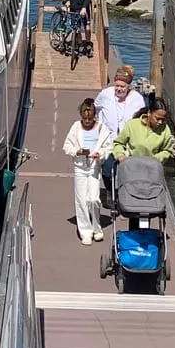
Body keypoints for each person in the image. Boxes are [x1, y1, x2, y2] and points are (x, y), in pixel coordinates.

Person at [62, 98, 113, 244]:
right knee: (81, 199)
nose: (87, 122)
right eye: (84, 119)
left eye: (90, 119)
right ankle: (85, 230)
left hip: (94, 167)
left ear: (94, 116)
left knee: (94, 198)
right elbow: (67, 146)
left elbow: (108, 147)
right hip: (80, 167)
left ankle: (97, 227)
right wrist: (77, 151)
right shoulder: (75, 127)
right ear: (81, 116)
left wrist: (100, 154)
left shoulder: (102, 128)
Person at [95, 65, 146, 207]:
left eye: (122, 87)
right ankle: (111, 192)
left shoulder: (137, 99)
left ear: (128, 87)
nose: (119, 89)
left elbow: (142, 119)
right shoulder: (105, 95)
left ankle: (125, 196)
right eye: (117, 85)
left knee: (126, 172)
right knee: (106, 170)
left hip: (128, 143)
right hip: (109, 141)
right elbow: (95, 108)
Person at [112, 93, 174, 163]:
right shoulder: (132, 125)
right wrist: (120, 155)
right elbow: (118, 143)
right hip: (131, 166)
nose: (160, 122)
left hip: (152, 168)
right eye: (157, 119)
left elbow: (167, 150)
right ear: (149, 113)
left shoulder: (165, 130)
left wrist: (156, 159)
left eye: (163, 119)